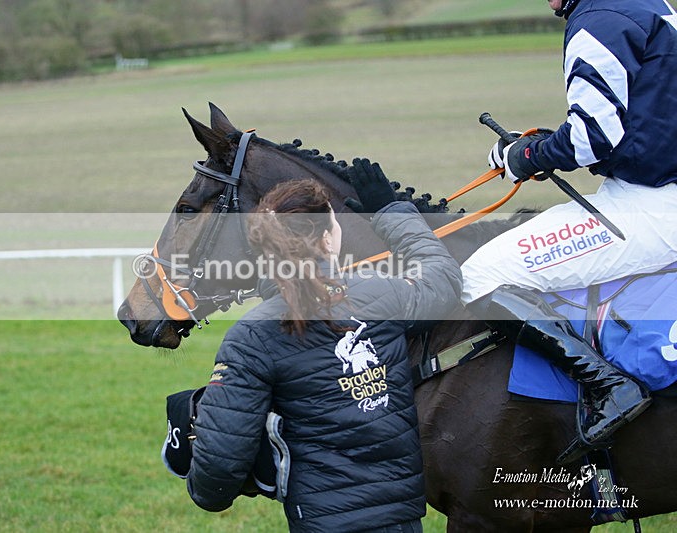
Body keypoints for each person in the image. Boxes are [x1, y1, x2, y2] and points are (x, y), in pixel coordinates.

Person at [184, 160, 462, 532]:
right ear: (328, 238)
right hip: (402, 521)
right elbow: (442, 280)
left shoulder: (249, 338)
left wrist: (206, 489)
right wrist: (390, 211)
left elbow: (217, 473)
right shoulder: (382, 292)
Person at [463, 0, 677, 461]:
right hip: (653, 191)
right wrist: (539, 148)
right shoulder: (645, 4)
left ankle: (612, 387)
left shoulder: (597, 20)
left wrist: (523, 157)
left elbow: (593, 137)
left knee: (482, 274)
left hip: (653, 205)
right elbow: (642, 118)